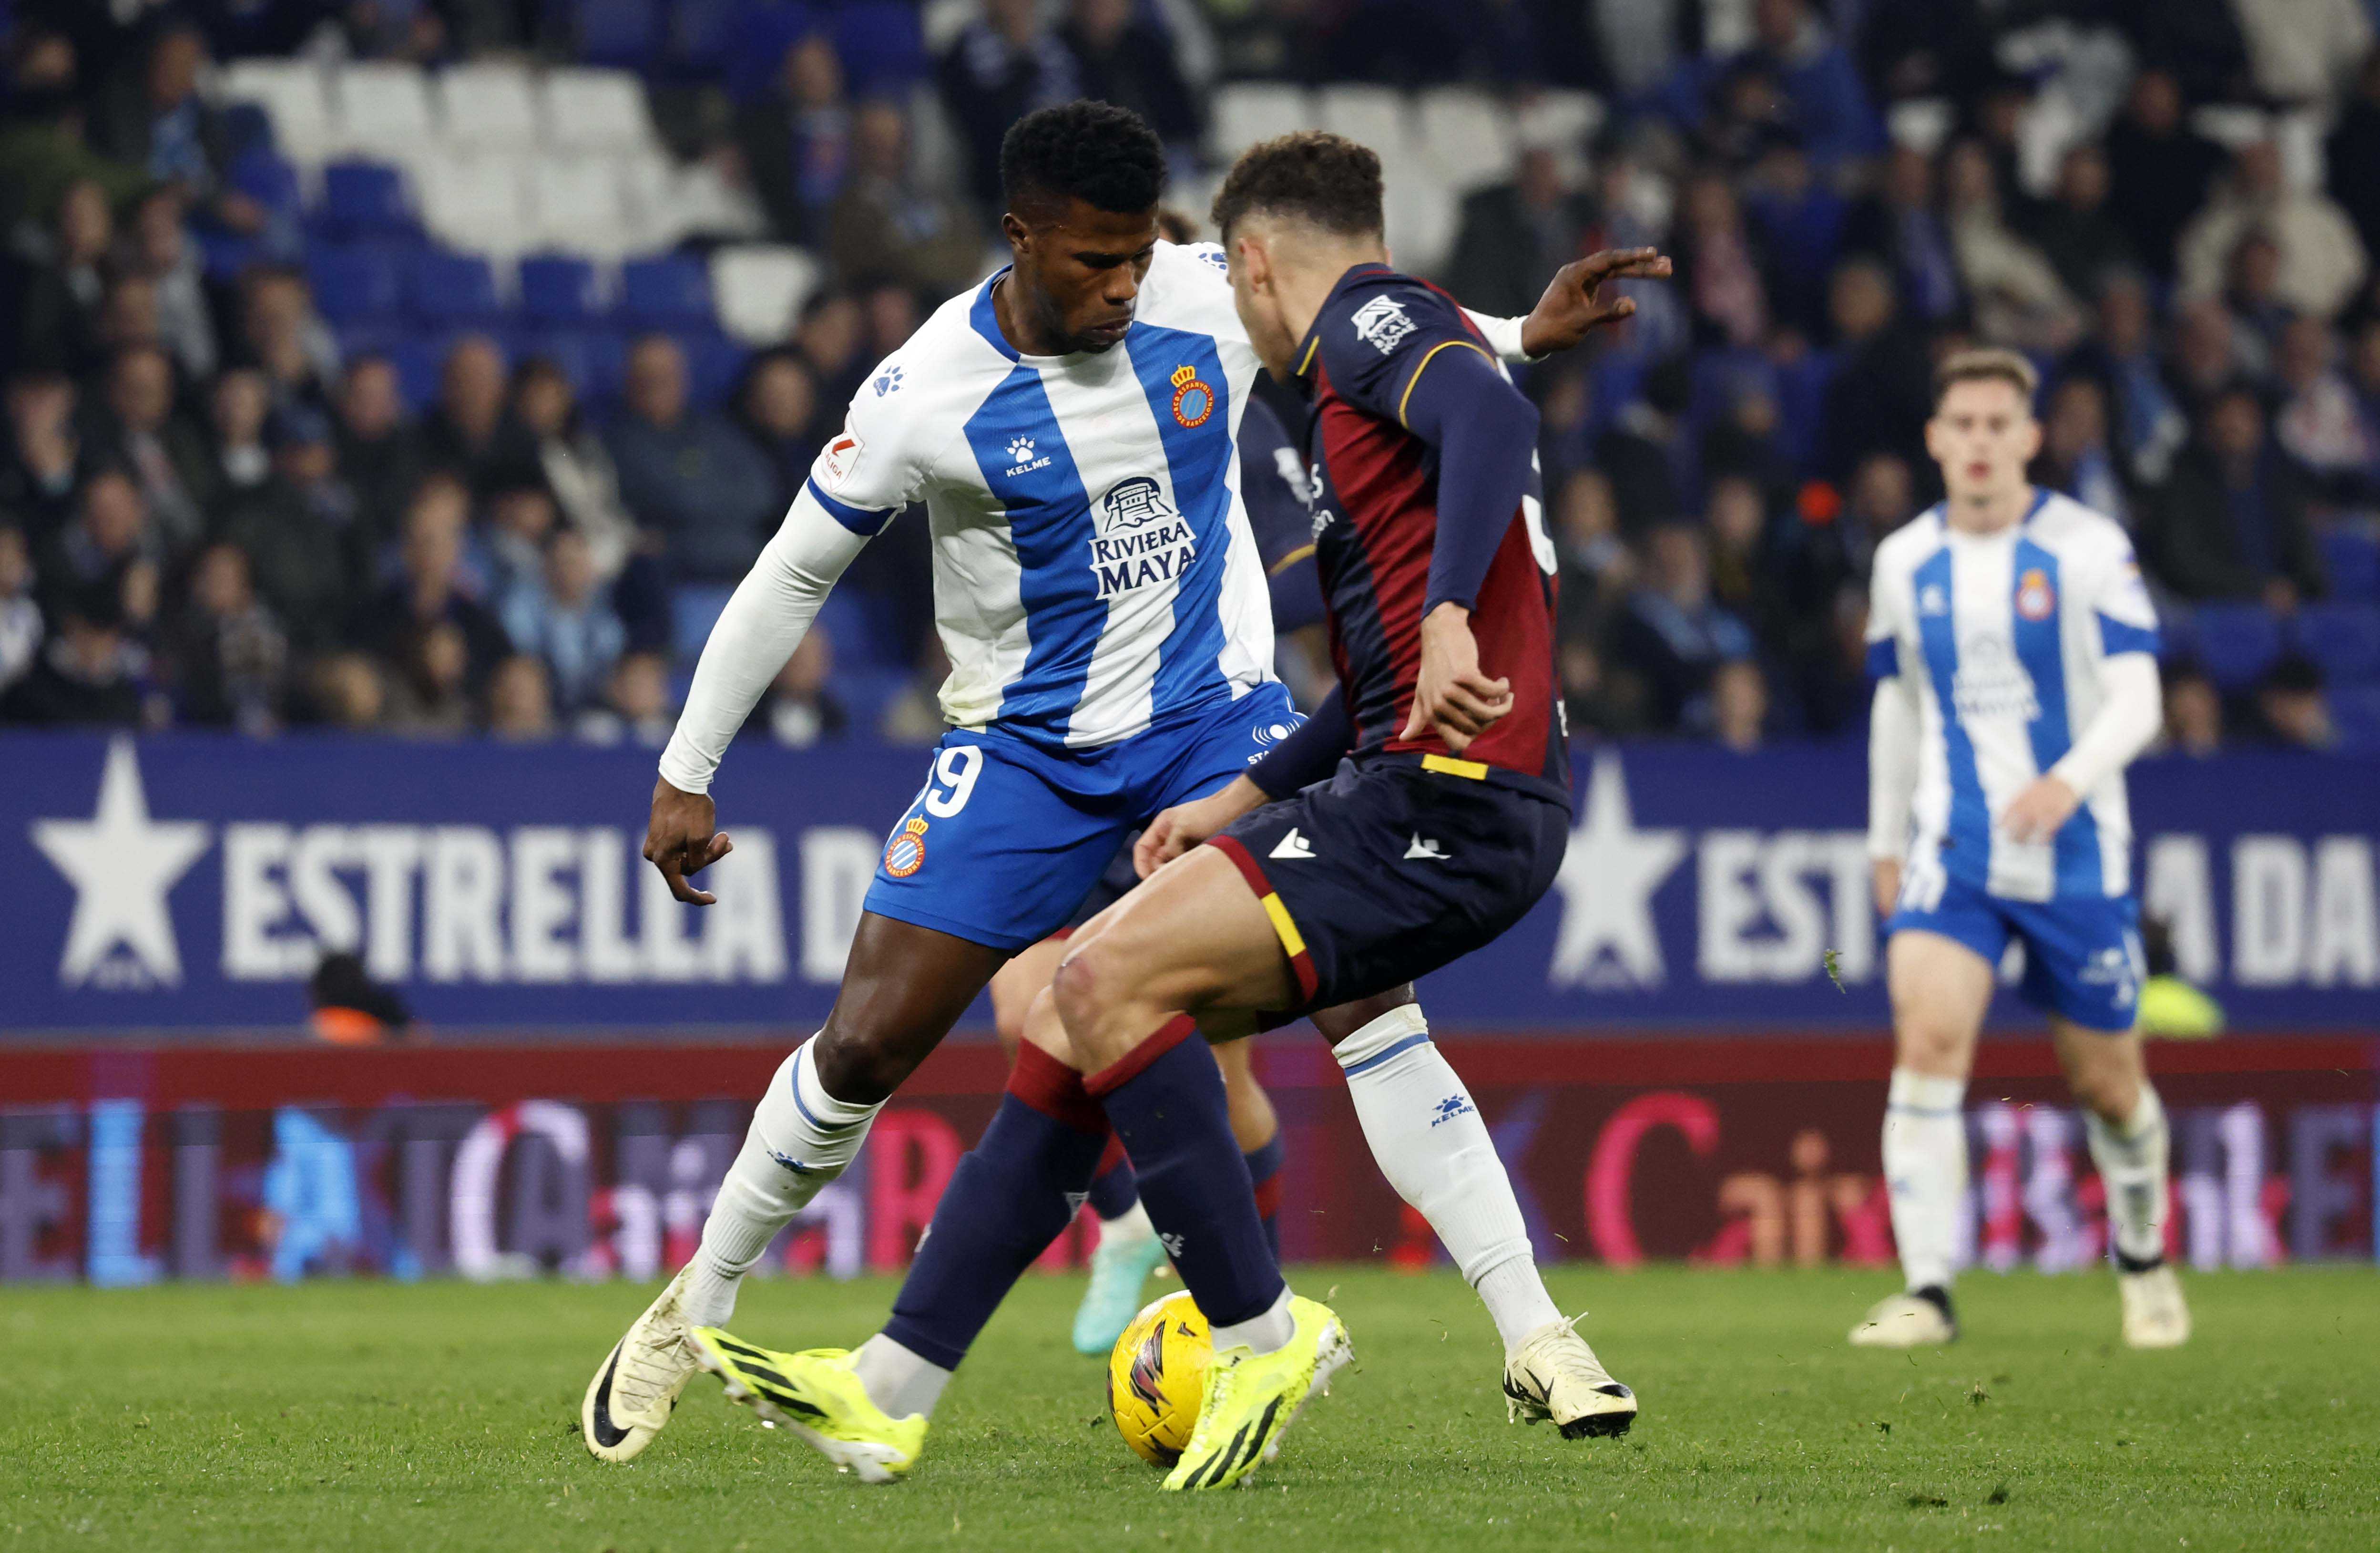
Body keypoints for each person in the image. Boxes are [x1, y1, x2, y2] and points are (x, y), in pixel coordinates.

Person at [579, 101, 1638, 1488]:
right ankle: (692, 1311)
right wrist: (685, 771)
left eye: (1140, 255)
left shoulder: (1200, 294)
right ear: (1020, 239)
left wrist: (1516, 334)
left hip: (1210, 725)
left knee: (1365, 1000)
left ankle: (1535, 1331)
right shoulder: (923, 393)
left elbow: (1380, 336)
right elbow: (793, 571)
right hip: (1023, 753)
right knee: (867, 1046)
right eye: (1094, 262)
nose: (1127, 285)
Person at [1855, 348, 2186, 1352]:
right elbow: (1896, 704)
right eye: (1962, 424)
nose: (1980, 442)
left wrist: (2066, 782)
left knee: (2108, 1088)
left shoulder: (2087, 548)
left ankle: (2142, 1258)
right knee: (1926, 1043)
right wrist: (1884, 838)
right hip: (1953, 848)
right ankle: (1927, 1292)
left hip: (2074, 852)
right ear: (1934, 439)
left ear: (2030, 438)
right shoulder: (1904, 560)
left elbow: (2139, 698)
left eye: (1998, 424)